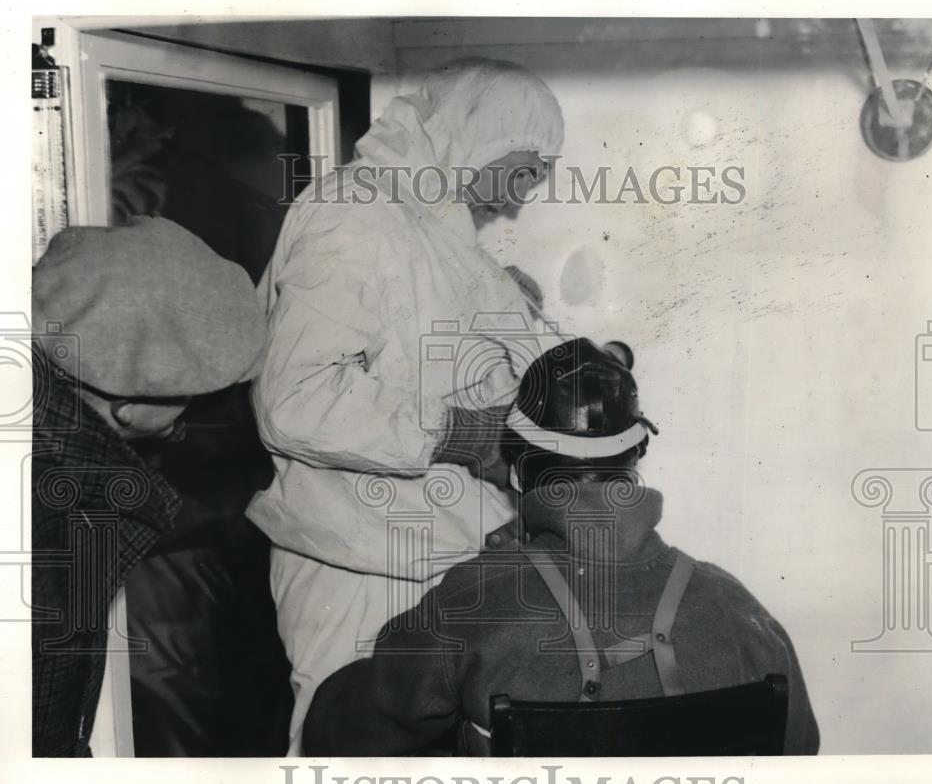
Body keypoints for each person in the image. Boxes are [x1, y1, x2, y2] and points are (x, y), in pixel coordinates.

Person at [248, 58, 564, 753]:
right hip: (361, 571)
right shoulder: (352, 214)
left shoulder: (432, 227)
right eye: (519, 174)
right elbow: (296, 398)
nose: (515, 204)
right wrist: (459, 433)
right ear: (472, 138)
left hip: (440, 562)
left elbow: (421, 350)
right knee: (349, 751)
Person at [301, 338, 821, 756]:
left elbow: (335, 733)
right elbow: (800, 751)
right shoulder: (740, 611)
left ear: (521, 469)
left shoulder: (471, 603)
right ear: (635, 461)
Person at [31, 216, 266, 756]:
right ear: (126, 404)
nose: (188, 416)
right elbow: (40, 733)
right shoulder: (55, 523)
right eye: (188, 391)